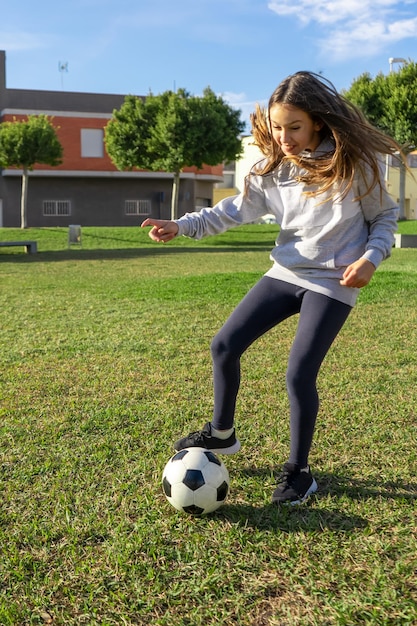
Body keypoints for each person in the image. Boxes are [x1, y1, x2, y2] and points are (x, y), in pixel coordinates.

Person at [141, 71, 403, 506]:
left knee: (299, 373)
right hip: (287, 272)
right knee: (224, 344)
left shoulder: (355, 163)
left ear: (318, 122)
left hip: (333, 281)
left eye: (294, 127)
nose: (284, 137)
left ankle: (299, 473)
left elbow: (384, 219)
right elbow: (231, 211)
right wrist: (180, 225)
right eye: (278, 127)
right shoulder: (273, 168)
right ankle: (222, 434)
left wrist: (370, 259)